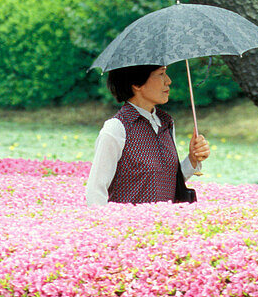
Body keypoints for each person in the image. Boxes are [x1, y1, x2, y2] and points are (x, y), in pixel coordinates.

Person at [85, 64, 211, 206]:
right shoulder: (117, 128)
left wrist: (192, 159)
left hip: (164, 225)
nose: (168, 80)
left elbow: (167, 179)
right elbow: (95, 191)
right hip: (130, 226)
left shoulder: (166, 122)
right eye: (161, 74)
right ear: (137, 83)